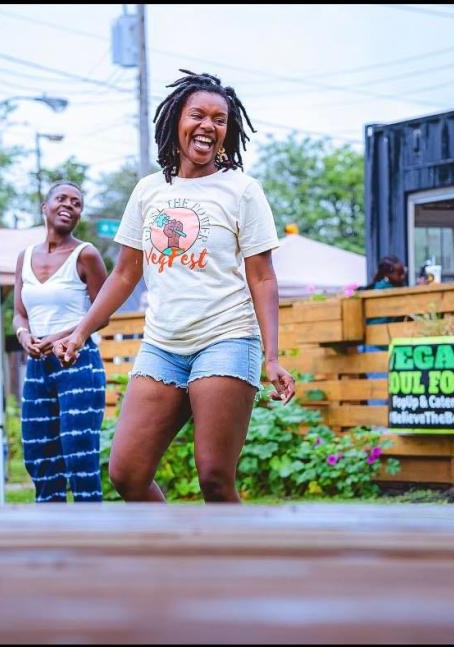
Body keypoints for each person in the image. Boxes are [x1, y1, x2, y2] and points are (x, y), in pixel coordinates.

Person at [53, 70, 296, 504]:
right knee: (127, 472)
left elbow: (262, 277)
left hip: (226, 337)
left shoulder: (242, 190)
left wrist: (273, 357)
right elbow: (125, 273)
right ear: (175, 122)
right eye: (198, 115)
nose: (208, 126)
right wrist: (81, 330)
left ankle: (238, 567)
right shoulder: (149, 191)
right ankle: (180, 552)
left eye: (219, 119)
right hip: (163, 344)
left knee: (214, 476)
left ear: (229, 130)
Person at [13, 180, 109, 503]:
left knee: (78, 454)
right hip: (38, 368)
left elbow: (103, 313)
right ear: (45, 207)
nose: (69, 205)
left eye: (77, 203)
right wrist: (24, 335)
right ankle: (51, 534)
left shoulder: (86, 255)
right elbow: (19, 313)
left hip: (77, 363)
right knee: (39, 456)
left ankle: (90, 536)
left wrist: (54, 338)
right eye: (61, 199)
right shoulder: (24, 258)